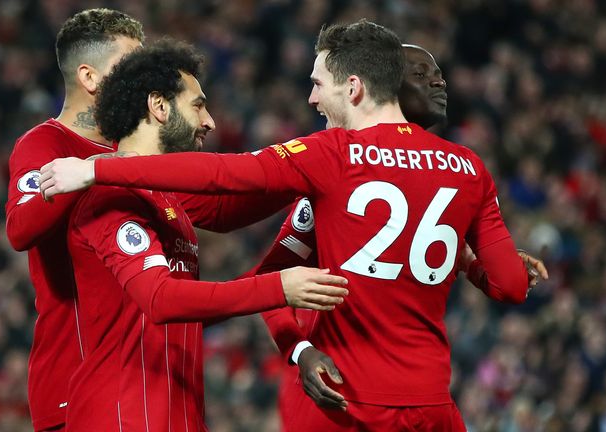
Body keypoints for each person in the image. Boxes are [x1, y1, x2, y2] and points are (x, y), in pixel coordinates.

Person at [39, 20, 533, 430]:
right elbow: (510, 284)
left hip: (344, 404)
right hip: (428, 402)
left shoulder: (330, 159)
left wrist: (97, 166)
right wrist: (297, 341)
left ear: (355, 86)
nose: (312, 100)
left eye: (317, 84)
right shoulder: (471, 169)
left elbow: (225, 177)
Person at [252, 43, 548, 430]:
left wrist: (473, 265)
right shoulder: (341, 173)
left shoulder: (452, 171)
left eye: (439, 72)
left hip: (403, 401)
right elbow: (269, 282)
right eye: (422, 74)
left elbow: (494, 279)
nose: (439, 81)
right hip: (349, 399)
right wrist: (301, 350)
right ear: (386, 87)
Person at [62, 39, 348, 432]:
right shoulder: (111, 196)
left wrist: (322, 167)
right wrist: (277, 287)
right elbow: (161, 300)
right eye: (198, 105)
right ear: (159, 107)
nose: (210, 120)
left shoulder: (167, 197)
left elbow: (235, 205)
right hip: (123, 416)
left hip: (176, 413)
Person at [4, 9, 143, 431]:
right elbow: (20, 228)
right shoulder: (44, 144)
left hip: (138, 380)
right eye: (130, 66)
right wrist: (93, 170)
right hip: (73, 379)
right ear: (89, 77)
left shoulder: (134, 147)